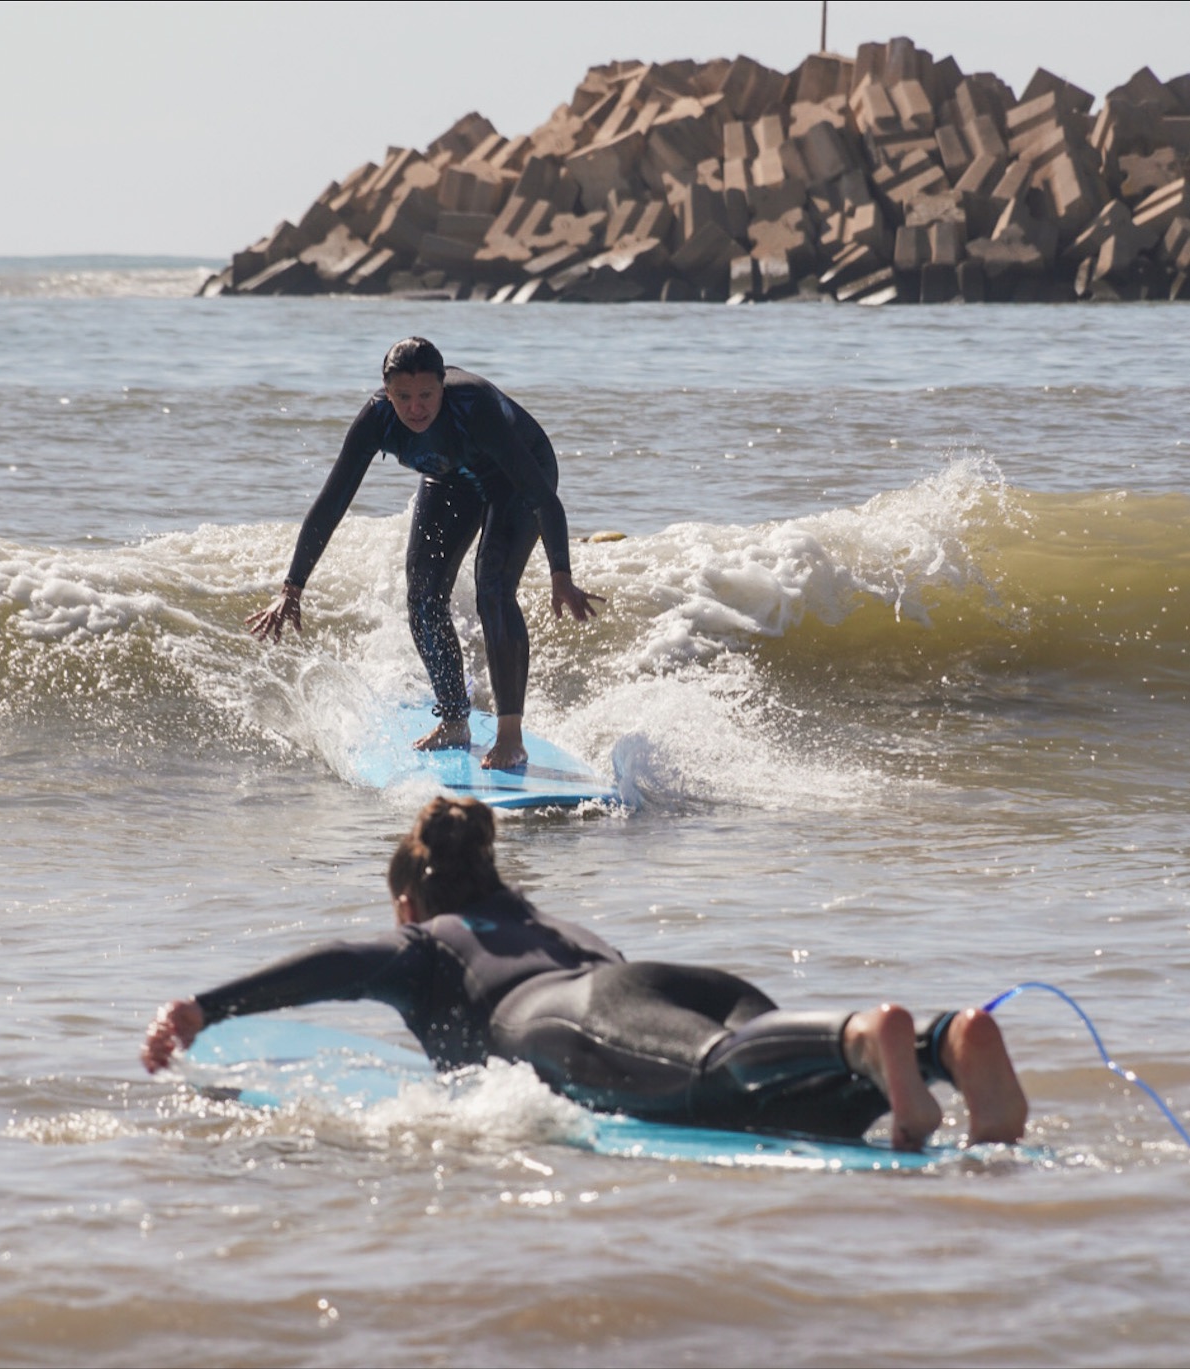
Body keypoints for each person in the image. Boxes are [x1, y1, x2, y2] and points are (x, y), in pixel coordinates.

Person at [142, 799, 1028, 1151]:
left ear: (407, 900)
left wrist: (203, 1009)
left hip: (575, 1017)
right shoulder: (550, 920)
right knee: (760, 1101)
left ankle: (868, 1032)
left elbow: (335, 966)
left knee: (718, 1069)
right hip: (671, 982)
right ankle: (941, 1048)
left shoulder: (428, 943)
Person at [244, 338, 603, 771]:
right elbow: (331, 502)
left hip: (519, 476)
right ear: (387, 392)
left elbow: (543, 498)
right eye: (403, 397)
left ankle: (511, 737)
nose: (415, 408)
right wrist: (292, 586)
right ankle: (454, 720)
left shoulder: (474, 408)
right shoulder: (375, 420)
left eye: (427, 395)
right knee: (423, 593)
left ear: (443, 387)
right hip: (449, 478)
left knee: (493, 582)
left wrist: (559, 573)